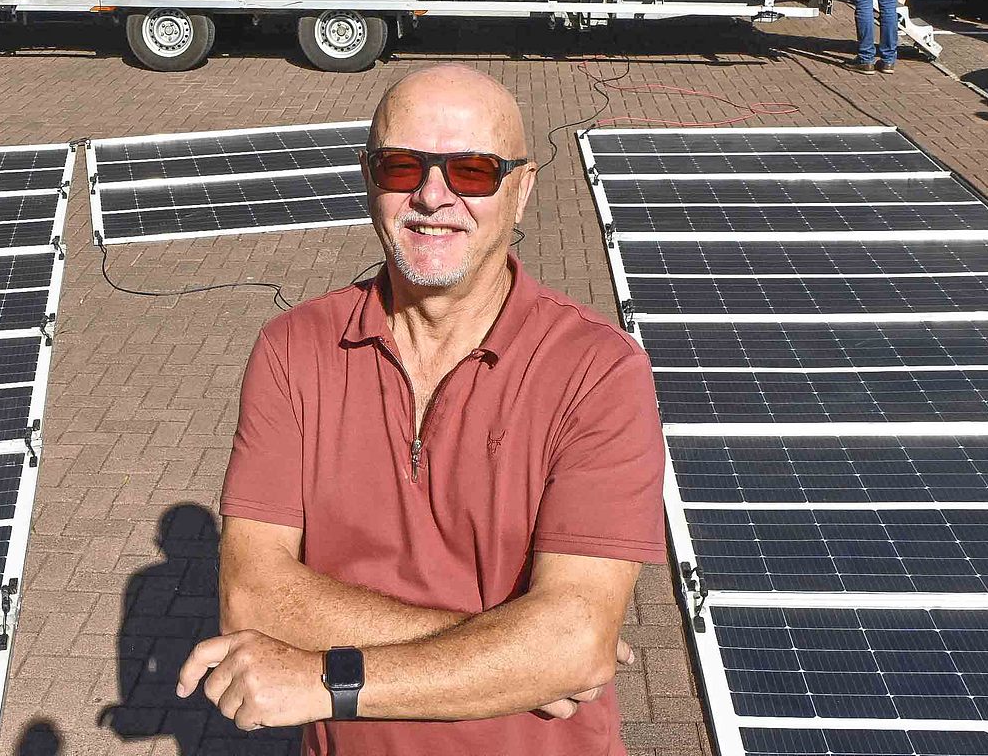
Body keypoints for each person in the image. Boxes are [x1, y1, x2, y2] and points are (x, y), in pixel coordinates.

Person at [182, 65, 666, 754]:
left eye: (472, 171)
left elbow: (576, 639)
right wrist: (517, 652)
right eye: (402, 166)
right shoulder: (293, 349)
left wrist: (325, 679)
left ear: (523, 189)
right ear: (367, 179)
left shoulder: (597, 370)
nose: (433, 197)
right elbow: (254, 598)